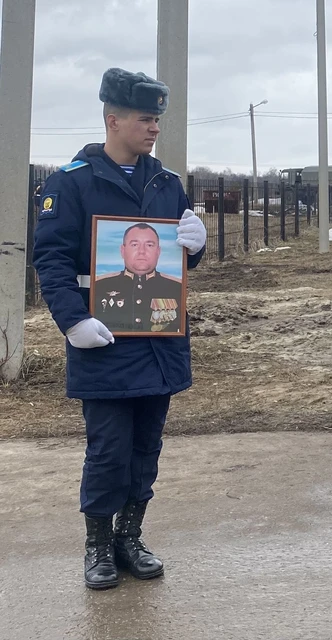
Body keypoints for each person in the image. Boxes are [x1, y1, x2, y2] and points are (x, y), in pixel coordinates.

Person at [32, 67, 207, 590]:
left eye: (157, 119)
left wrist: (194, 248)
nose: (154, 128)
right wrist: (73, 321)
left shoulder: (166, 182)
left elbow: (176, 264)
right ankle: (97, 546)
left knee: (145, 448)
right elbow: (51, 260)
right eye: (144, 118)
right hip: (103, 341)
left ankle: (130, 538)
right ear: (113, 119)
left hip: (158, 339)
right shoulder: (71, 182)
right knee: (107, 450)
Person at [94, 222, 184, 333]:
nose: (142, 251)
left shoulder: (176, 287)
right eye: (134, 245)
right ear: (122, 251)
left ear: (158, 251)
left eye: (149, 245)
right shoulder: (100, 285)